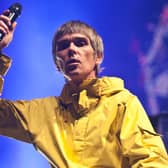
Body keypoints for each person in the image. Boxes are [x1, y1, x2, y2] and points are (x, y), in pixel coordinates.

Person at [0, 10, 168, 168]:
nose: (72, 49)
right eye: (63, 46)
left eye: (80, 43)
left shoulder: (122, 103)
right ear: (57, 64)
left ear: (98, 56)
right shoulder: (42, 112)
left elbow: (151, 160)